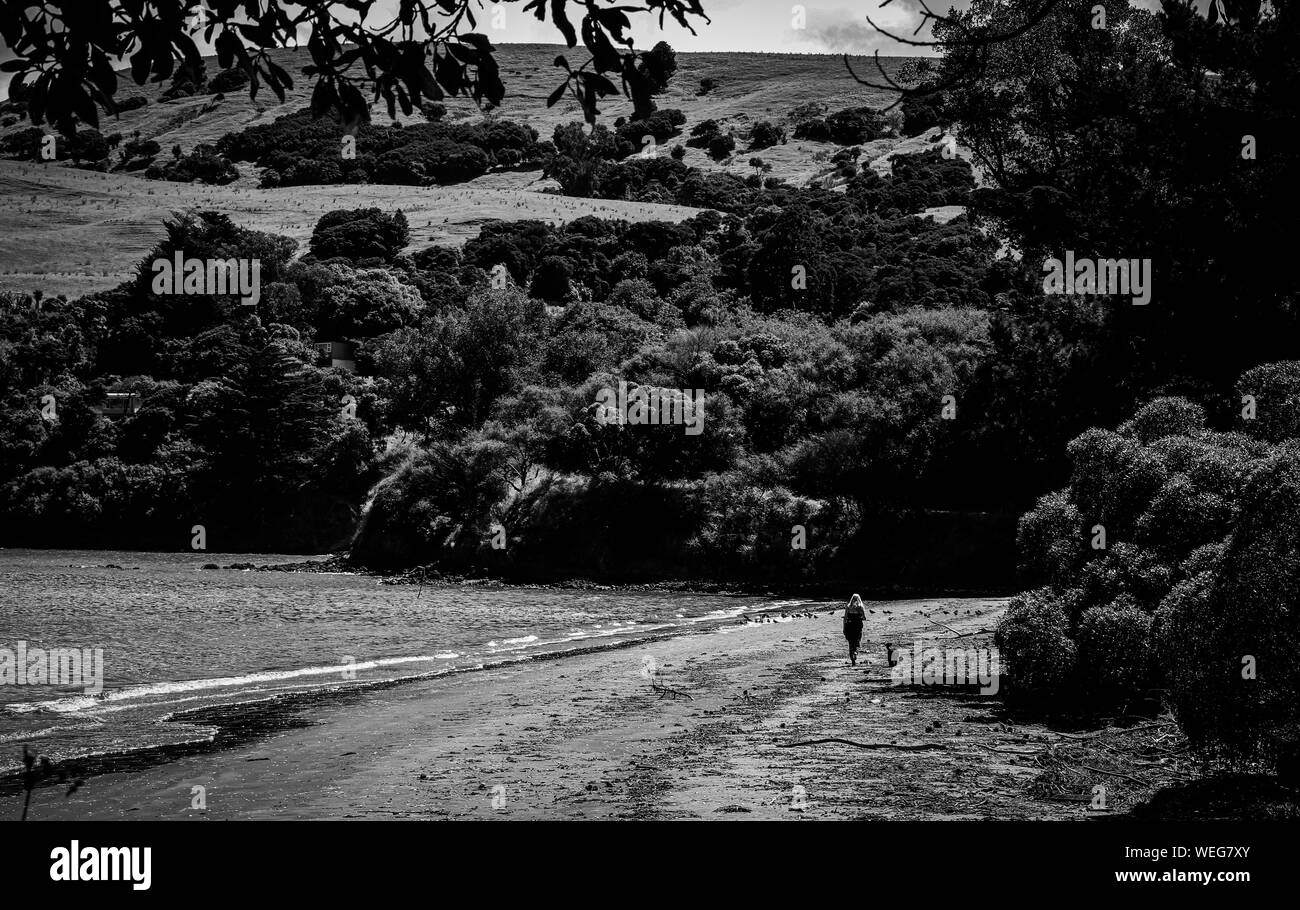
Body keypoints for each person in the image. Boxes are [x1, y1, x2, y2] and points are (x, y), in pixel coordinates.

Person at [843, 593, 866, 665]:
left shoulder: (848, 607)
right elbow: (864, 617)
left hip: (849, 626)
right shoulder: (860, 607)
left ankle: (852, 656)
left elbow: (845, 618)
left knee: (850, 641)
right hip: (857, 626)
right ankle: (855, 652)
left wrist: (844, 627)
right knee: (857, 639)